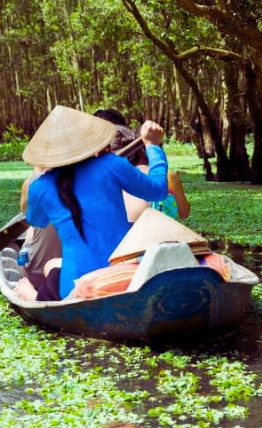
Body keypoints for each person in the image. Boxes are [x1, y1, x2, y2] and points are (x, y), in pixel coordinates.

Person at [15, 105, 169, 301]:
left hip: (76, 287)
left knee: (53, 270)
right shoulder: (112, 164)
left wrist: (40, 177)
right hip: (123, 278)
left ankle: (32, 296)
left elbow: (37, 221)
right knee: (55, 269)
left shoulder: (39, 187)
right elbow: (159, 190)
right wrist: (153, 146)